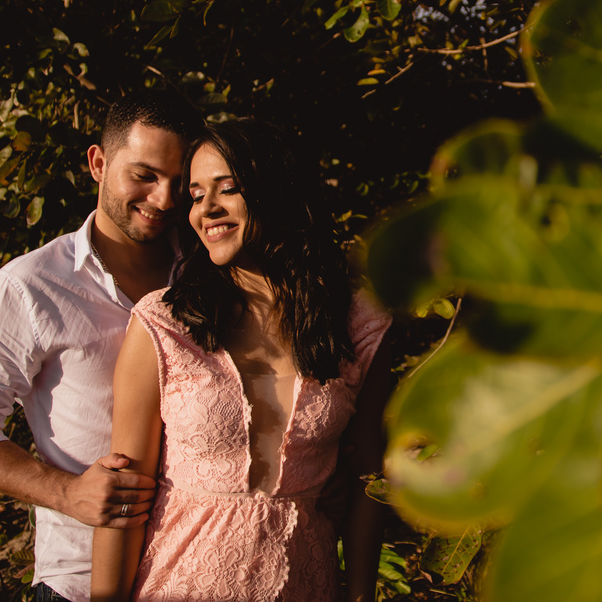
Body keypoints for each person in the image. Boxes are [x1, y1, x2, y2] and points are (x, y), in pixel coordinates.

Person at [91, 119, 392, 602]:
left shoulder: (360, 324)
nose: (205, 209)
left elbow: (368, 482)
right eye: (195, 195)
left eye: (226, 189)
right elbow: (125, 494)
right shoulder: (165, 322)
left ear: (276, 191)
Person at [0, 90, 203, 602]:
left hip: (199, 569)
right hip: (81, 581)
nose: (165, 200)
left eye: (179, 182)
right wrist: (67, 493)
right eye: (144, 175)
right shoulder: (29, 287)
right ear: (98, 163)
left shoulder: (208, 270)